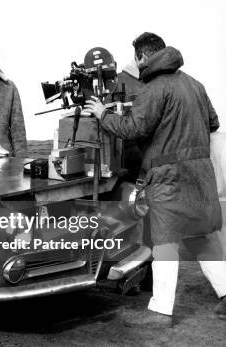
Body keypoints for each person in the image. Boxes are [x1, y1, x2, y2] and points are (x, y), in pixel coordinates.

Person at [85, 32, 226, 325]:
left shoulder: (154, 88)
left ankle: (161, 310)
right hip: (199, 173)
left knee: (165, 240)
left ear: (141, 57)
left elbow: (134, 129)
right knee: (201, 234)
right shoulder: (195, 84)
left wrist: (102, 114)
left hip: (167, 175)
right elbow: (213, 122)